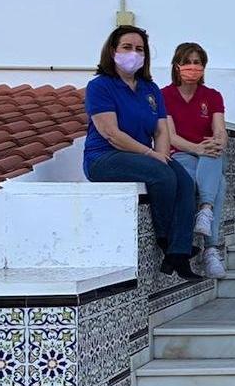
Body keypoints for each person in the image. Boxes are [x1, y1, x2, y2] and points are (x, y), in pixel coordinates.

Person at [83, 25, 198, 281]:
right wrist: (151, 154)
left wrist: (162, 153)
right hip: (105, 157)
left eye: (139, 49)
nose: (133, 53)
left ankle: (178, 254)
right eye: (127, 47)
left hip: (143, 155)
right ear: (113, 51)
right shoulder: (100, 86)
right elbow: (111, 133)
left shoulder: (150, 89)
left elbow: (161, 130)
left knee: (185, 181)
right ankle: (167, 240)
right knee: (163, 175)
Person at [162, 42, 228, 279]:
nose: (192, 67)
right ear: (177, 65)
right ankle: (211, 250)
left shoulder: (212, 96)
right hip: (181, 154)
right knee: (221, 184)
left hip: (209, 154)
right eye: (187, 62)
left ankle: (206, 210)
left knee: (214, 151)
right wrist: (198, 148)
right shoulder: (165, 95)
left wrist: (219, 139)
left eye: (197, 62)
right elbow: (170, 136)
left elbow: (219, 129)